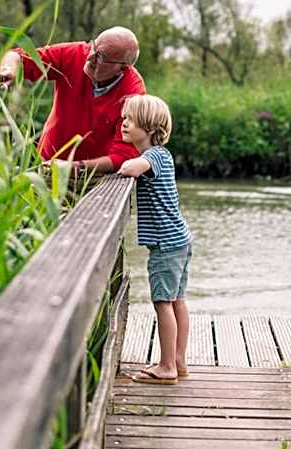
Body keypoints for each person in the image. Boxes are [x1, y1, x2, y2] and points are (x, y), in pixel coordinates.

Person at [0, 26, 145, 173]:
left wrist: (74, 167)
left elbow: (123, 156)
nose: (90, 57)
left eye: (102, 57)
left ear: (122, 69)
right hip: (46, 165)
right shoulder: (76, 53)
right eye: (93, 47)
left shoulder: (133, 93)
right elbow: (18, 56)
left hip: (93, 178)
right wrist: (9, 69)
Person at [117, 95, 192, 384]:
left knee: (163, 302)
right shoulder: (163, 155)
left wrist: (125, 165)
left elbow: (129, 168)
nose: (123, 123)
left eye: (130, 120)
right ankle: (178, 361)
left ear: (148, 128)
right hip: (179, 240)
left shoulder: (152, 156)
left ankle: (166, 366)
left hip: (165, 245)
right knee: (177, 301)